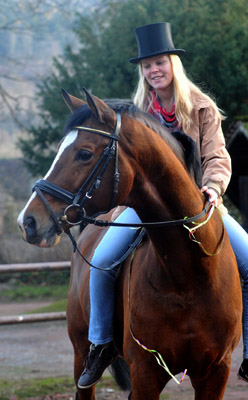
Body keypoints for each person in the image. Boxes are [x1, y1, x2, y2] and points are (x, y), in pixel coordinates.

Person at [78, 22, 248, 388]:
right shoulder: (136, 113)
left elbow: (217, 157)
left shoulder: (201, 107)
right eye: (147, 66)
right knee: (104, 261)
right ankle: (100, 345)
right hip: (147, 211)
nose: (153, 70)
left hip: (203, 206)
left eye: (159, 63)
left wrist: (214, 188)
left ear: (173, 64)